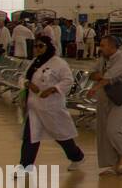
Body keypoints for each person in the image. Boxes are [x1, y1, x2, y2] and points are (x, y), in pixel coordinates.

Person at [19, 36, 85, 171]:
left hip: (51, 107)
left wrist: (53, 89)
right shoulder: (34, 62)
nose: (37, 49)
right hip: (34, 107)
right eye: (35, 46)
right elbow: (22, 77)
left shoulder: (59, 63)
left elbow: (68, 81)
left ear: (48, 46)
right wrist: (28, 83)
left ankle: (77, 157)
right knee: (30, 136)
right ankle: (25, 166)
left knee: (61, 135)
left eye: (40, 46)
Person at [88, 34, 122, 175]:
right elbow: (91, 74)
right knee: (104, 132)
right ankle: (113, 163)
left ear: (112, 46)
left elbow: (107, 77)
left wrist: (96, 85)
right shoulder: (103, 59)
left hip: (119, 99)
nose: (100, 48)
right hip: (104, 99)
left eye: (103, 45)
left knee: (114, 130)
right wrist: (99, 76)